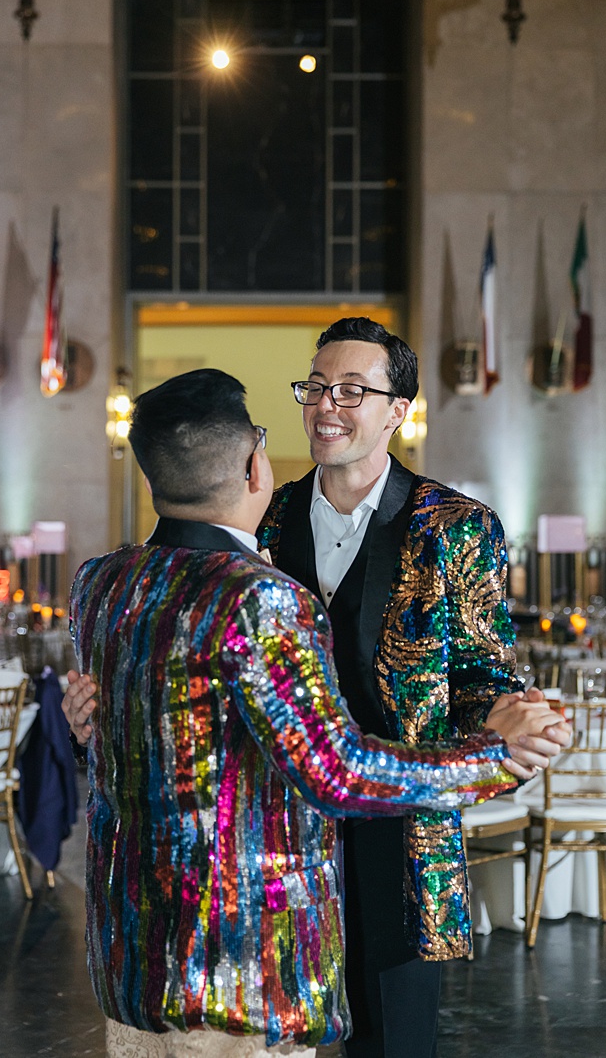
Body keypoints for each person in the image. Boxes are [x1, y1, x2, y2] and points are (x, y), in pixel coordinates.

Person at [66, 366, 569, 1058]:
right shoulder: (263, 597)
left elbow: (150, 728)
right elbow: (335, 772)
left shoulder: (103, 580)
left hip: (133, 959)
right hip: (238, 971)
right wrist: (492, 752)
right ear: (253, 466)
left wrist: (85, 724)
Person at [257, 316, 530, 1058]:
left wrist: (509, 725)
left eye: (351, 389)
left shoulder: (458, 526)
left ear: (397, 410)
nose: (326, 405)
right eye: (315, 387)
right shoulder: (267, 516)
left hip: (401, 833)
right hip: (282, 832)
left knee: (393, 1040)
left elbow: (481, 679)